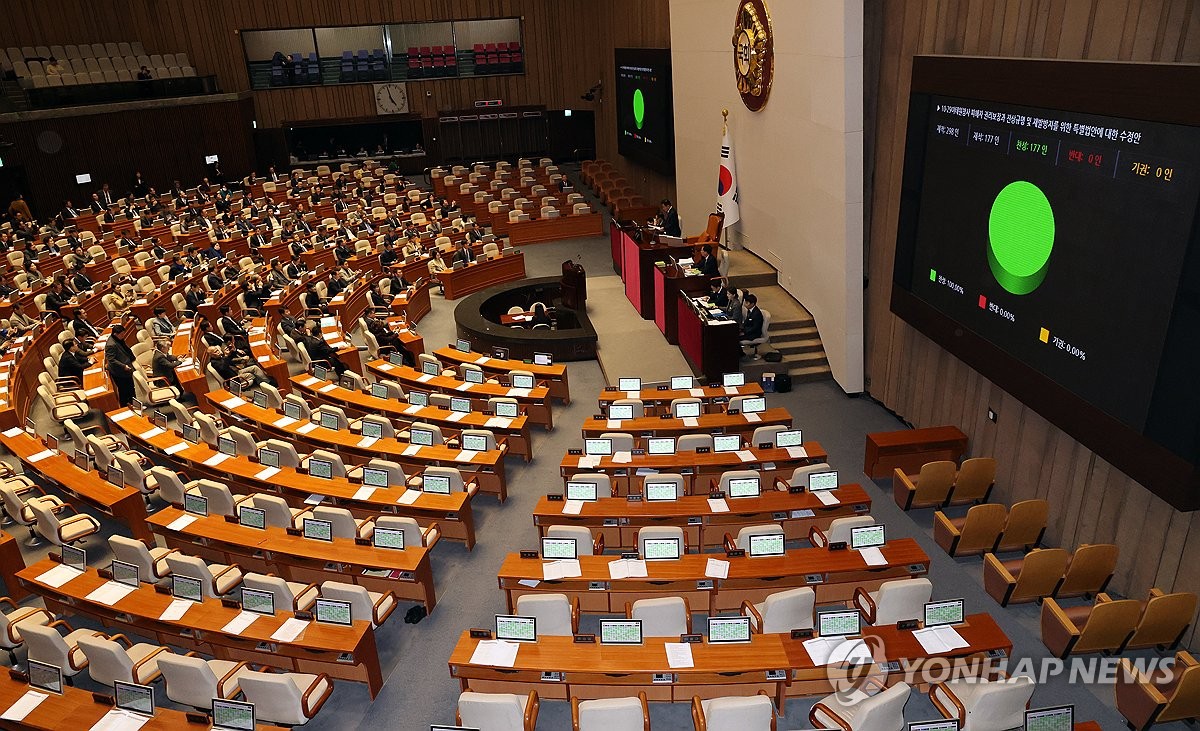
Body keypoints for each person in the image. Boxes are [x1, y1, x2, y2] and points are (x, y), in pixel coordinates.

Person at [105, 324, 137, 406]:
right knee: (124, 390)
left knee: (131, 388)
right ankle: (125, 406)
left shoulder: (118, 339)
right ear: (115, 334)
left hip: (126, 366)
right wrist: (123, 366)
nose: (123, 336)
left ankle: (135, 404)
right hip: (119, 371)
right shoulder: (111, 345)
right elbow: (111, 360)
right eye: (122, 334)